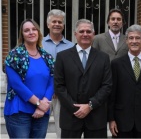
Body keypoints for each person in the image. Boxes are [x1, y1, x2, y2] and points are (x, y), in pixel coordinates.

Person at [54, 19, 112, 138]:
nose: (85, 34)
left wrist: (90, 105)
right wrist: (75, 107)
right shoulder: (62, 57)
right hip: (71, 116)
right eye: (81, 31)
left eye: (88, 31)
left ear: (93, 34)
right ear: (75, 34)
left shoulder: (103, 58)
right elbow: (59, 86)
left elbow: (107, 85)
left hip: (96, 117)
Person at [4, 19, 54, 138]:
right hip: (19, 112)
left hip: (42, 111)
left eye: (34, 29)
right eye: (27, 30)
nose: (31, 32)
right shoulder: (14, 56)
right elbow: (16, 84)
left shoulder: (47, 57)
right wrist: (38, 103)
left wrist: (44, 104)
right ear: (22, 34)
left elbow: (52, 80)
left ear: (38, 32)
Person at [108, 24, 141, 138]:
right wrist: (111, 119)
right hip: (121, 122)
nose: (134, 41)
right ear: (126, 41)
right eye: (131, 38)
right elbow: (112, 94)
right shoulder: (116, 64)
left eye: (138, 38)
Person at [42, 9, 74, 138]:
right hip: (42, 93)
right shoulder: (39, 44)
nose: (57, 24)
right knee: (39, 129)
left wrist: (59, 89)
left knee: (62, 131)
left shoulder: (71, 46)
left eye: (60, 22)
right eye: (54, 21)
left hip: (63, 94)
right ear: (48, 24)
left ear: (63, 25)